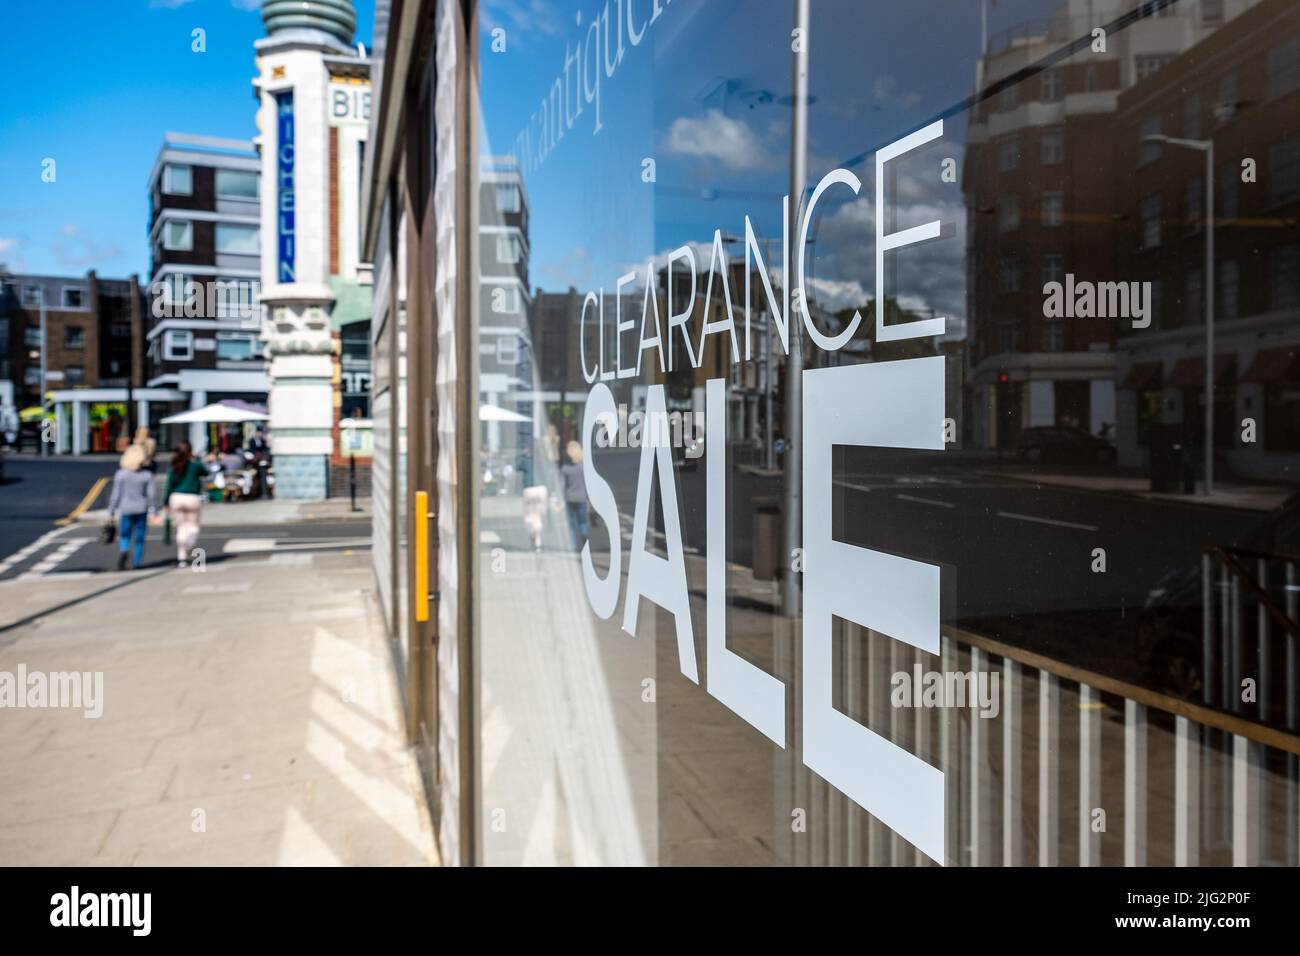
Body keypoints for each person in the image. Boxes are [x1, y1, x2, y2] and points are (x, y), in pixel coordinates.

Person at [107, 444, 156, 571]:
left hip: (126, 508)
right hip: (141, 508)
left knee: (125, 534)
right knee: (140, 537)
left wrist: (111, 510)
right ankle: (136, 562)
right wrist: (155, 510)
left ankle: (124, 550)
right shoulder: (147, 474)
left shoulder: (121, 474)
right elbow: (152, 495)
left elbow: (115, 494)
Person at [164, 441, 207, 568]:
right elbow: (206, 472)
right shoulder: (195, 465)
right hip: (192, 497)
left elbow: (169, 485)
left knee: (181, 527)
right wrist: (196, 459)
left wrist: (166, 502)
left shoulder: (174, 466)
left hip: (176, 498)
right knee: (193, 526)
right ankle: (189, 545)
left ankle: (182, 557)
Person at [560, 440, 588, 552]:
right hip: (582, 498)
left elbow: (562, 485)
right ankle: (584, 536)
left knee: (571, 525)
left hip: (569, 498)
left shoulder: (565, 469)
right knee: (582, 521)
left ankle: (572, 546)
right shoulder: (583, 467)